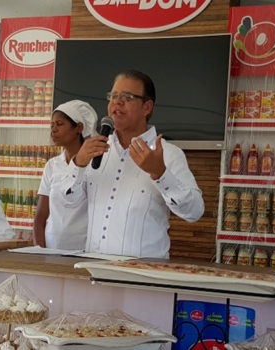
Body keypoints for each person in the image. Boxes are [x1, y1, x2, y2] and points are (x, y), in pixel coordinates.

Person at [55, 70, 204, 258]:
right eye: (113, 96)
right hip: (94, 272)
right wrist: (78, 165)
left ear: (147, 107)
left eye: (127, 97)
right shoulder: (94, 150)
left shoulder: (168, 154)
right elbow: (68, 202)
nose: (117, 102)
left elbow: (194, 211)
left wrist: (161, 174)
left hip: (143, 277)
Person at [34, 100, 98, 250]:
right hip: (51, 249)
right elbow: (40, 218)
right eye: (52, 125)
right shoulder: (52, 165)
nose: (54, 130)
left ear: (79, 127)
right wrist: (39, 251)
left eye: (60, 124)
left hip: (84, 251)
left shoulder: (95, 164)